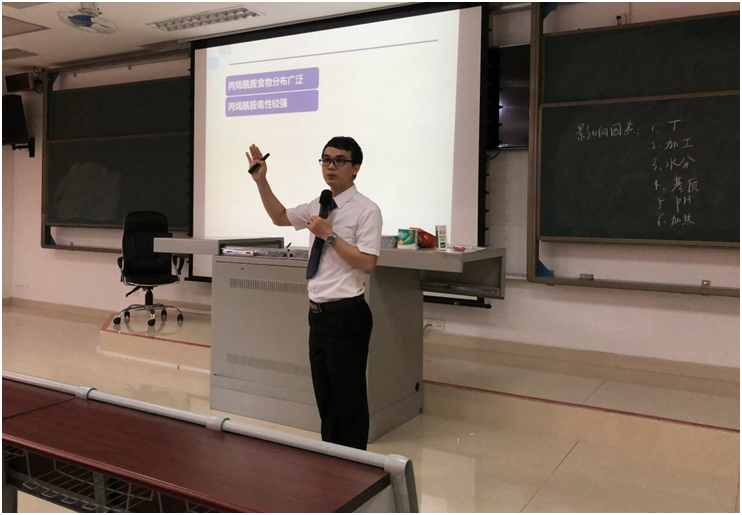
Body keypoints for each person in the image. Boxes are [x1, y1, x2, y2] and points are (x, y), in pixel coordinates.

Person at [245, 136, 382, 450]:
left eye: (339, 160)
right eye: (326, 159)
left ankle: (354, 464)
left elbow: (368, 263)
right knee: (326, 398)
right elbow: (279, 217)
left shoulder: (367, 210)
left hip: (347, 315)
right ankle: (331, 460)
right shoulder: (318, 205)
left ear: (356, 168)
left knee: (349, 400)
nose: (330, 166)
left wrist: (329, 235)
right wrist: (261, 181)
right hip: (318, 315)